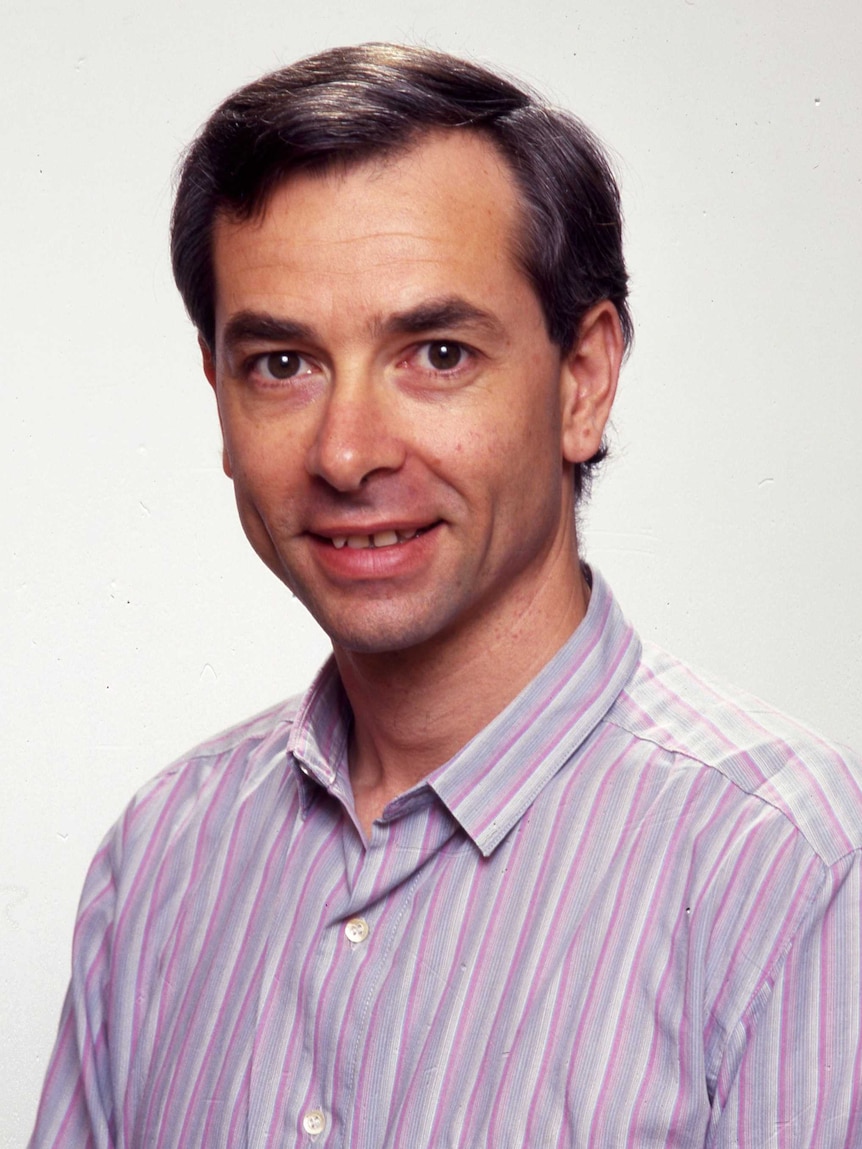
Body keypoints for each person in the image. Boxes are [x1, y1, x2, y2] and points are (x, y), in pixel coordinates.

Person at [30, 43, 861, 1148]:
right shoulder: (161, 860)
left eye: (435, 353)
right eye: (282, 364)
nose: (346, 451)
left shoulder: (784, 869)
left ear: (583, 381)